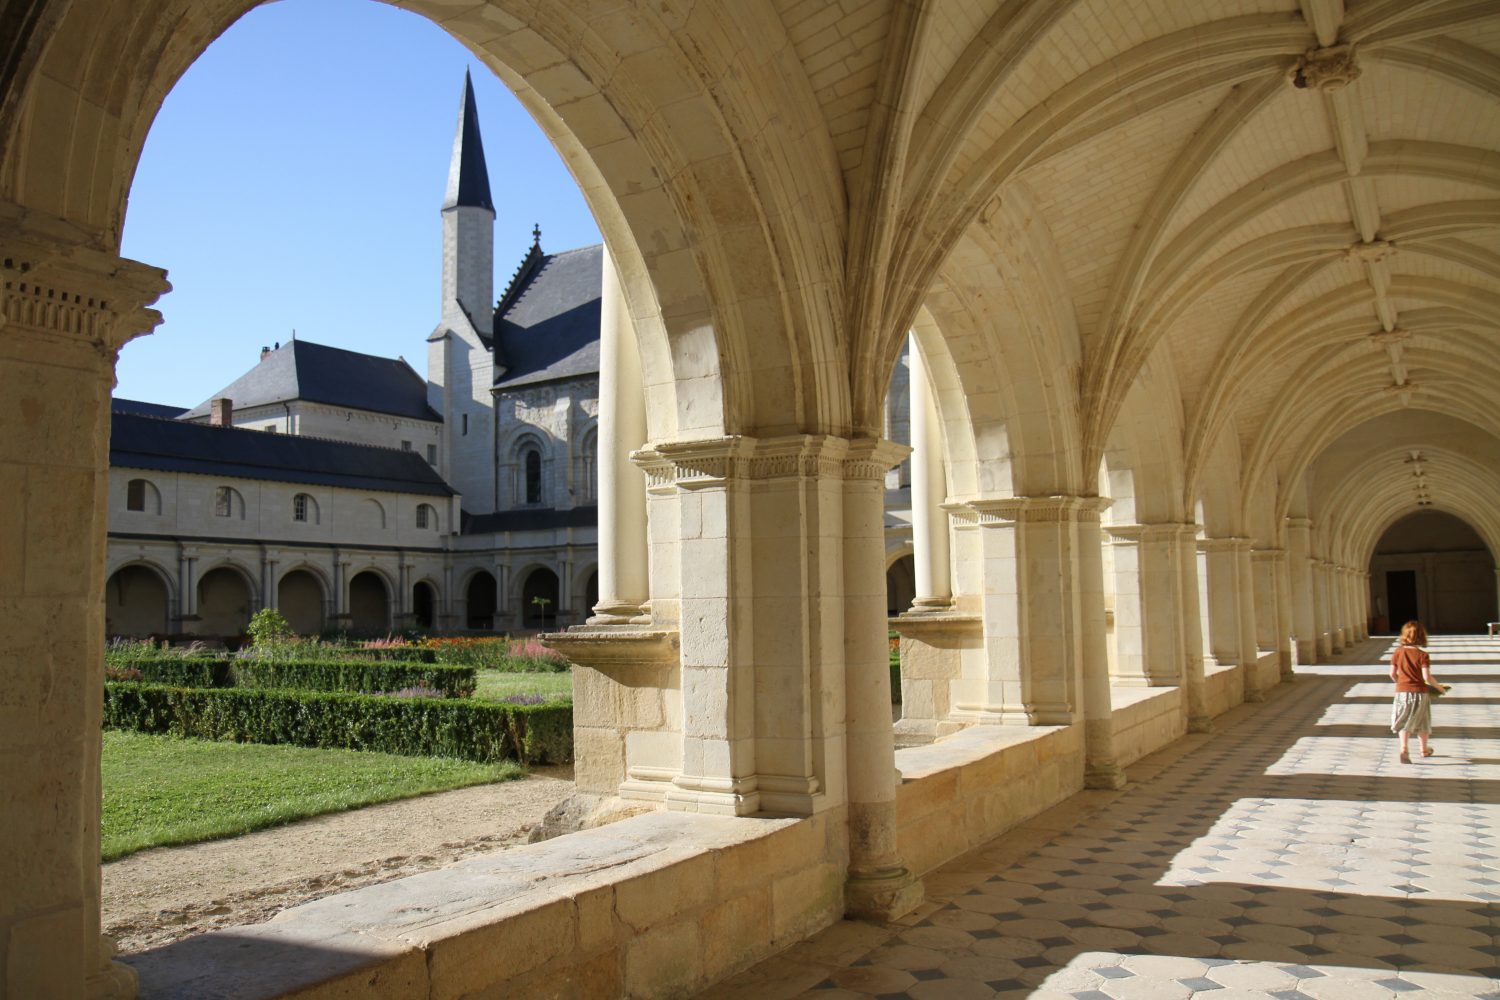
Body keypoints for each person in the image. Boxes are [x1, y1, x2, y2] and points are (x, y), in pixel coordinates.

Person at [1389, 620, 1438, 763]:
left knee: (1404, 720)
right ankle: (1424, 749)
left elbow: (1392, 674)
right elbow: (1426, 677)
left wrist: (1401, 683)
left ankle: (1404, 748)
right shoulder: (1423, 655)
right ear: (1422, 636)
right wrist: (1438, 687)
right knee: (1423, 720)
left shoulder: (1397, 652)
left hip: (1402, 692)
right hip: (1420, 693)